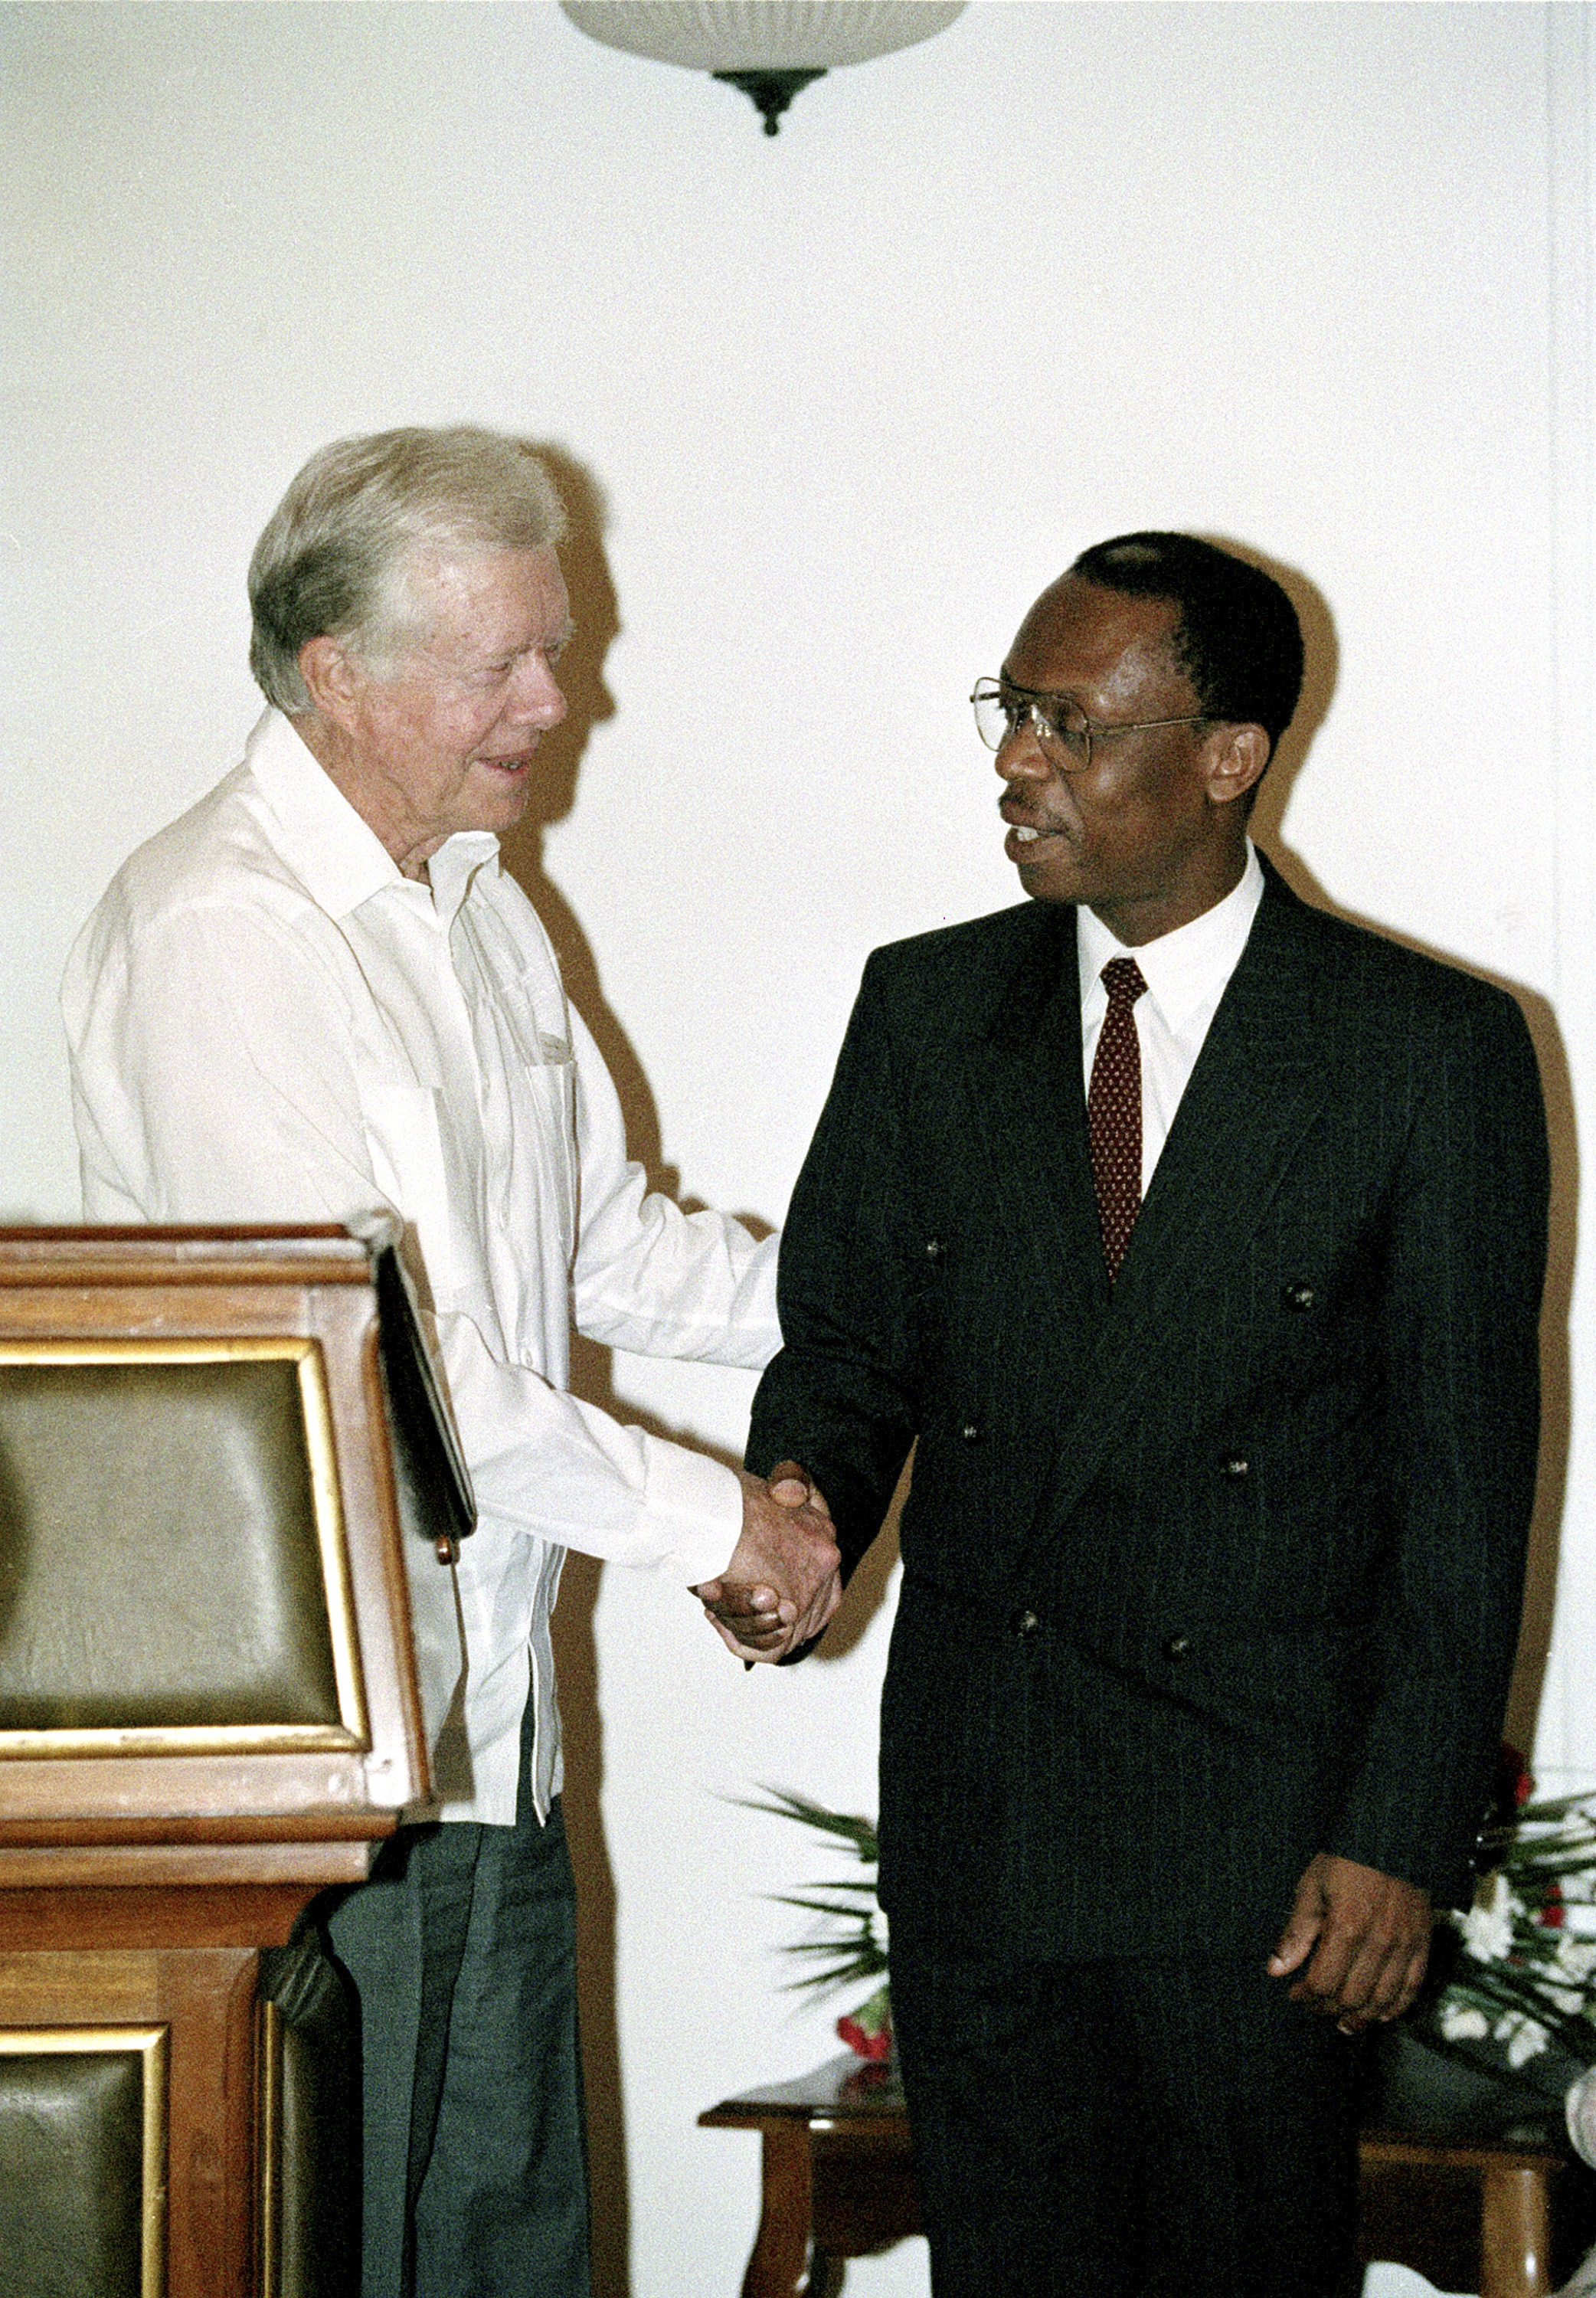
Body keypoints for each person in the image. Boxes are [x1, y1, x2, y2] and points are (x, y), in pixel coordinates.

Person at [61, 424, 839, 2298]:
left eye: (549, 649)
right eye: (504, 659)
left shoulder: (484, 911)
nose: (559, 700)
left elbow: (615, 1251)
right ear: (338, 671)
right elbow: (389, 1375)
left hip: (493, 1751)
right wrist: (718, 1518)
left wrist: (928, 1303)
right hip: (312, 1781)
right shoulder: (226, 933)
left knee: (509, 2259)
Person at [744, 532, 1550, 2296]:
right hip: (990, 1810)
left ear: (1224, 755)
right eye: (1007, 712)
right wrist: (800, 1504)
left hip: (1263, 1850)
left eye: (1070, 723)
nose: (1016, 762)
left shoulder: (1424, 1049)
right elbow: (847, 1343)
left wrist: (1399, 1839)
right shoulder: (925, 1005)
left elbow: (1463, 1484)